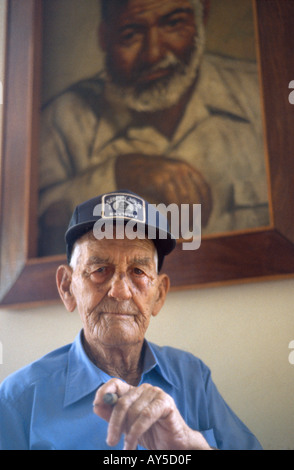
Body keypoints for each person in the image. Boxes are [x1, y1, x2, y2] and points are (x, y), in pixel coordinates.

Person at [0, 190, 262, 450]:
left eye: (138, 271)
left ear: (159, 294)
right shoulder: (18, 400)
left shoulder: (193, 378)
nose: (121, 291)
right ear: (67, 288)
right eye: (100, 270)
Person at [38, 0, 269, 256]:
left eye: (173, 23)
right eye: (131, 34)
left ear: (202, 17)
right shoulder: (62, 120)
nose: (153, 54)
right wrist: (118, 175)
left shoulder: (263, 96)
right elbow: (38, 234)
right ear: (104, 38)